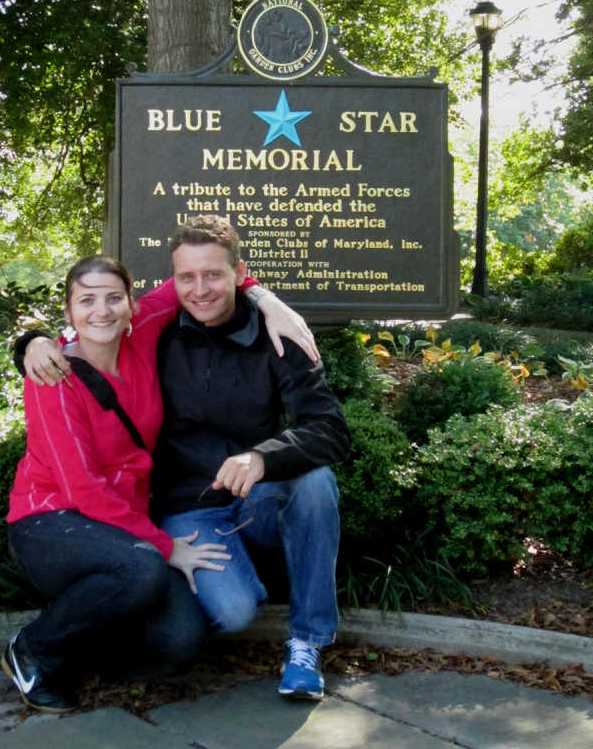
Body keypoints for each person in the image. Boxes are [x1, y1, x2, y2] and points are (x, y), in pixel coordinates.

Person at [24, 216, 350, 701]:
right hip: (189, 506)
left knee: (314, 481)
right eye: (187, 278)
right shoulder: (155, 329)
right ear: (172, 284)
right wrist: (32, 341)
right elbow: (95, 321)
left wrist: (262, 458)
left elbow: (331, 431)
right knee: (234, 612)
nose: (200, 289)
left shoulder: (278, 334)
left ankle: (306, 644)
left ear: (239, 273)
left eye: (214, 275)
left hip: (256, 496)